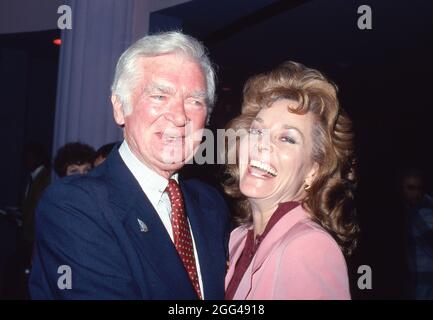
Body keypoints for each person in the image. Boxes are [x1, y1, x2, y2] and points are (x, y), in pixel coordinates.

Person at [29, 31, 230, 299]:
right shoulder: (73, 205)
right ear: (120, 107)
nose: (180, 116)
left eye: (194, 101)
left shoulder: (210, 204)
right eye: (160, 96)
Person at [223, 61, 358, 299]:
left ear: (313, 172)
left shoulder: (309, 248)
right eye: (257, 131)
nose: (262, 145)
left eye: (287, 138)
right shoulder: (239, 240)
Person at [401, 169, 433, 299]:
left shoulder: (422, 212)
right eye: (410, 187)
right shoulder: (412, 210)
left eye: (419, 188)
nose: (416, 192)